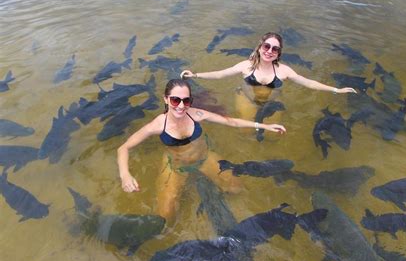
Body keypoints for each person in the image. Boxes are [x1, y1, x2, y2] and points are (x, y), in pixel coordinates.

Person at [117, 79, 286, 223]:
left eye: (186, 100)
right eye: (176, 100)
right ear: (166, 99)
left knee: (236, 188)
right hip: (176, 166)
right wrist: (125, 175)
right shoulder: (157, 125)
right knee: (166, 216)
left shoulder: (196, 114)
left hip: (204, 158)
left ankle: (206, 187)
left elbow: (231, 122)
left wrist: (264, 125)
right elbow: (123, 148)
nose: (181, 106)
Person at [180, 32, 357, 121]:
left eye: (275, 49)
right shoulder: (246, 66)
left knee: (273, 137)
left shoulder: (283, 71)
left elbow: (308, 82)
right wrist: (195, 74)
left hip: (272, 103)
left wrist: (336, 89)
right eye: (266, 46)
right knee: (245, 132)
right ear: (260, 47)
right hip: (247, 99)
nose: (270, 51)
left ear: (279, 53)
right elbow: (220, 74)